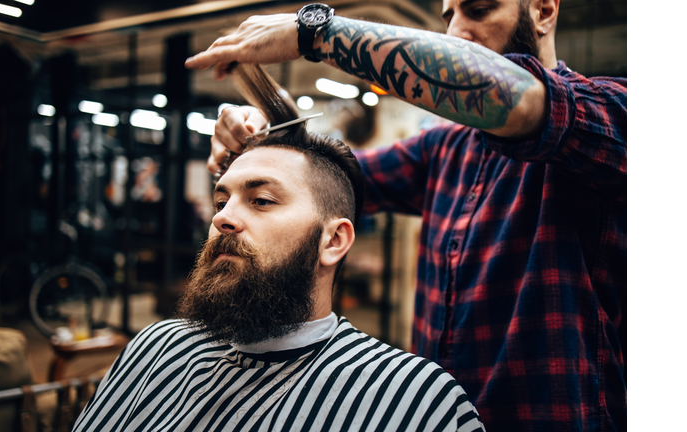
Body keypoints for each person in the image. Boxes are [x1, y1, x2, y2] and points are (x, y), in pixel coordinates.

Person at [185, 1, 626, 431]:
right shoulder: (445, 148)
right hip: (436, 416)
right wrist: (266, 141)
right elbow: (327, 186)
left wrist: (315, 32)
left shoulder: (616, 114)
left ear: (544, 11)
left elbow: (517, 98)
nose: (456, 31)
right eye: (449, 17)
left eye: (479, 10)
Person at [72, 64, 486, 432]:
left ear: (334, 240)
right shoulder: (156, 346)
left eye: (262, 200)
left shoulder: (416, 403)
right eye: (221, 201)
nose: (221, 218)